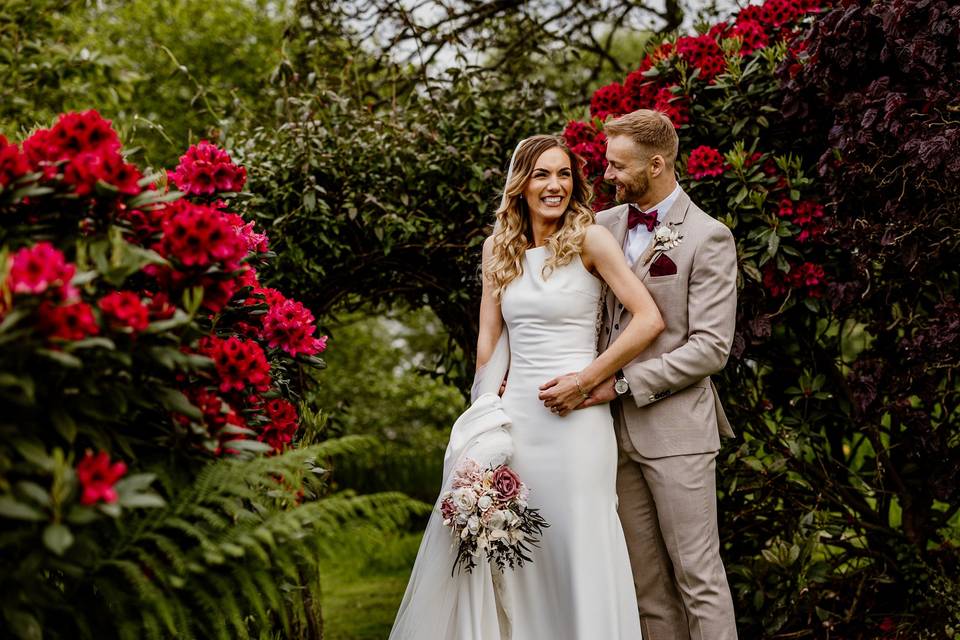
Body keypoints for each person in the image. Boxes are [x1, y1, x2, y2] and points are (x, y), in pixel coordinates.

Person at [390, 134, 664, 639]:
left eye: (563, 174)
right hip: (516, 425)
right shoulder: (499, 248)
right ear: (522, 184)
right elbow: (489, 346)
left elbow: (648, 319)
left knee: (578, 545)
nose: (554, 185)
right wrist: (481, 430)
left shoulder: (590, 240)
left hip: (578, 423)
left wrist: (586, 381)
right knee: (520, 556)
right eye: (542, 174)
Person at [565, 109, 740, 640]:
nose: (608, 176)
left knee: (698, 578)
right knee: (645, 586)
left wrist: (618, 384)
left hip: (676, 433)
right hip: (608, 436)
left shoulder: (708, 237)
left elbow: (710, 348)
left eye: (618, 166)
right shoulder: (600, 226)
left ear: (657, 164)